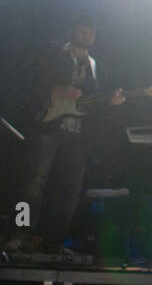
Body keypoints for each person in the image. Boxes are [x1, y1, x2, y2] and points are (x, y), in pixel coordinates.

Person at [6, 15, 124, 255]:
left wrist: (110, 102)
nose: (87, 34)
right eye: (82, 30)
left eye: (91, 31)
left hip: (78, 134)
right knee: (32, 184)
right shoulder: (52, 52)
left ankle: (53, 240)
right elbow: (27, 80)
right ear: (71, 30)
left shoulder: (95, 65)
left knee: (69, 190)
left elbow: (91, 101)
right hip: (47, 126)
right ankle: (19, 233)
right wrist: (56, 88)